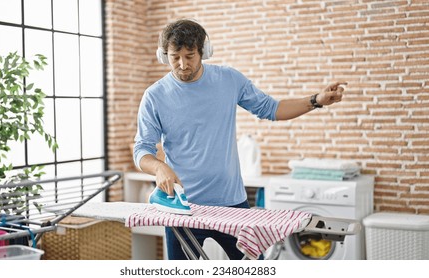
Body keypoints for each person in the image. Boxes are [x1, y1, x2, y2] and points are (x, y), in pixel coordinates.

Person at [133, 19, 346, 260]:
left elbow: (271, 108)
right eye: (175, 57)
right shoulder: (154, 96)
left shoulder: (228, 80)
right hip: (184, 209)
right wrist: (159, 167)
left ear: (204, 51)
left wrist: (316, 100)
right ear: (164, 56)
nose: (182, 65)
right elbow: (142, 149)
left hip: (232, 203)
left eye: (190, 56)